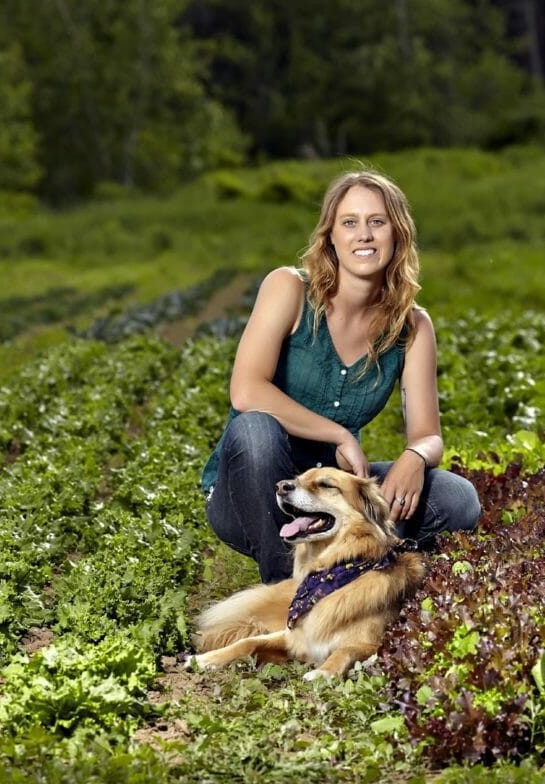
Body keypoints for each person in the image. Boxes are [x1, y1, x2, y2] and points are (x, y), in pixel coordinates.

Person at [200, 169, 481, 583]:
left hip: (333, 498)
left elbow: (428, 434)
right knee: (254, 428)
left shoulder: (413, 326)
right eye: (350, 222)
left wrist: (415, 457)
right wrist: (339, 435)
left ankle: (358, 563)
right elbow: (246, 391)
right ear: (330, 236)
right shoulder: (288, 289)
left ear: (397, 234)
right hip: (251, 493)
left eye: (377, 222)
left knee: (457, 498)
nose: (363, 235)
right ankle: (290, 589)